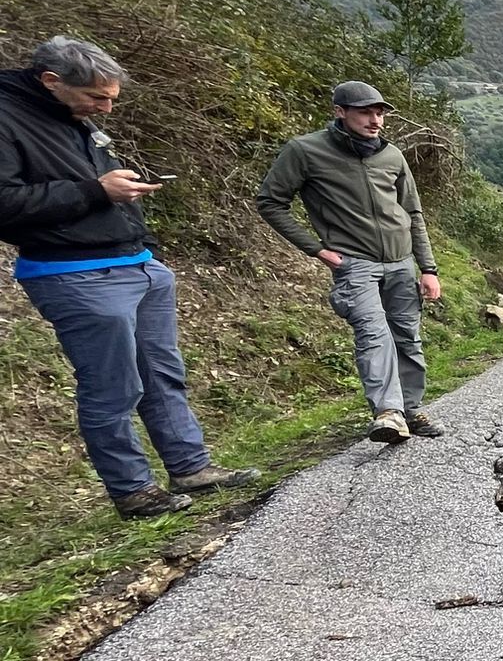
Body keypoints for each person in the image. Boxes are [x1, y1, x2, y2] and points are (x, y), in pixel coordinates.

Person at [0, 36, 259, 518]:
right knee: (112, 387)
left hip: (136, 263)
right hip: (74, 274)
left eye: (111, 99)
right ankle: (133, 491)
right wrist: (95, 191)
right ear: (51, 81)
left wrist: (122, 196)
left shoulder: (74, 118)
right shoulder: (7, 117)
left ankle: (191, 466)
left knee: (162, 376)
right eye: (97, 98)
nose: (106, 109)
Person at [258, 81, 444, 443]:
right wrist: (316, 248)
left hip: (402, 262)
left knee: (407, 337)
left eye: (379, 113)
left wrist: (429, 268)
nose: (375, 121)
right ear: (340, 112)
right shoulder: (305, 151)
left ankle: (409, 408)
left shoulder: (392, 155)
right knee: (374, 335)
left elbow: (413, 213)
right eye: (365, 112)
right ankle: (388, 413)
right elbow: (270, 202)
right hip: (354, 264)